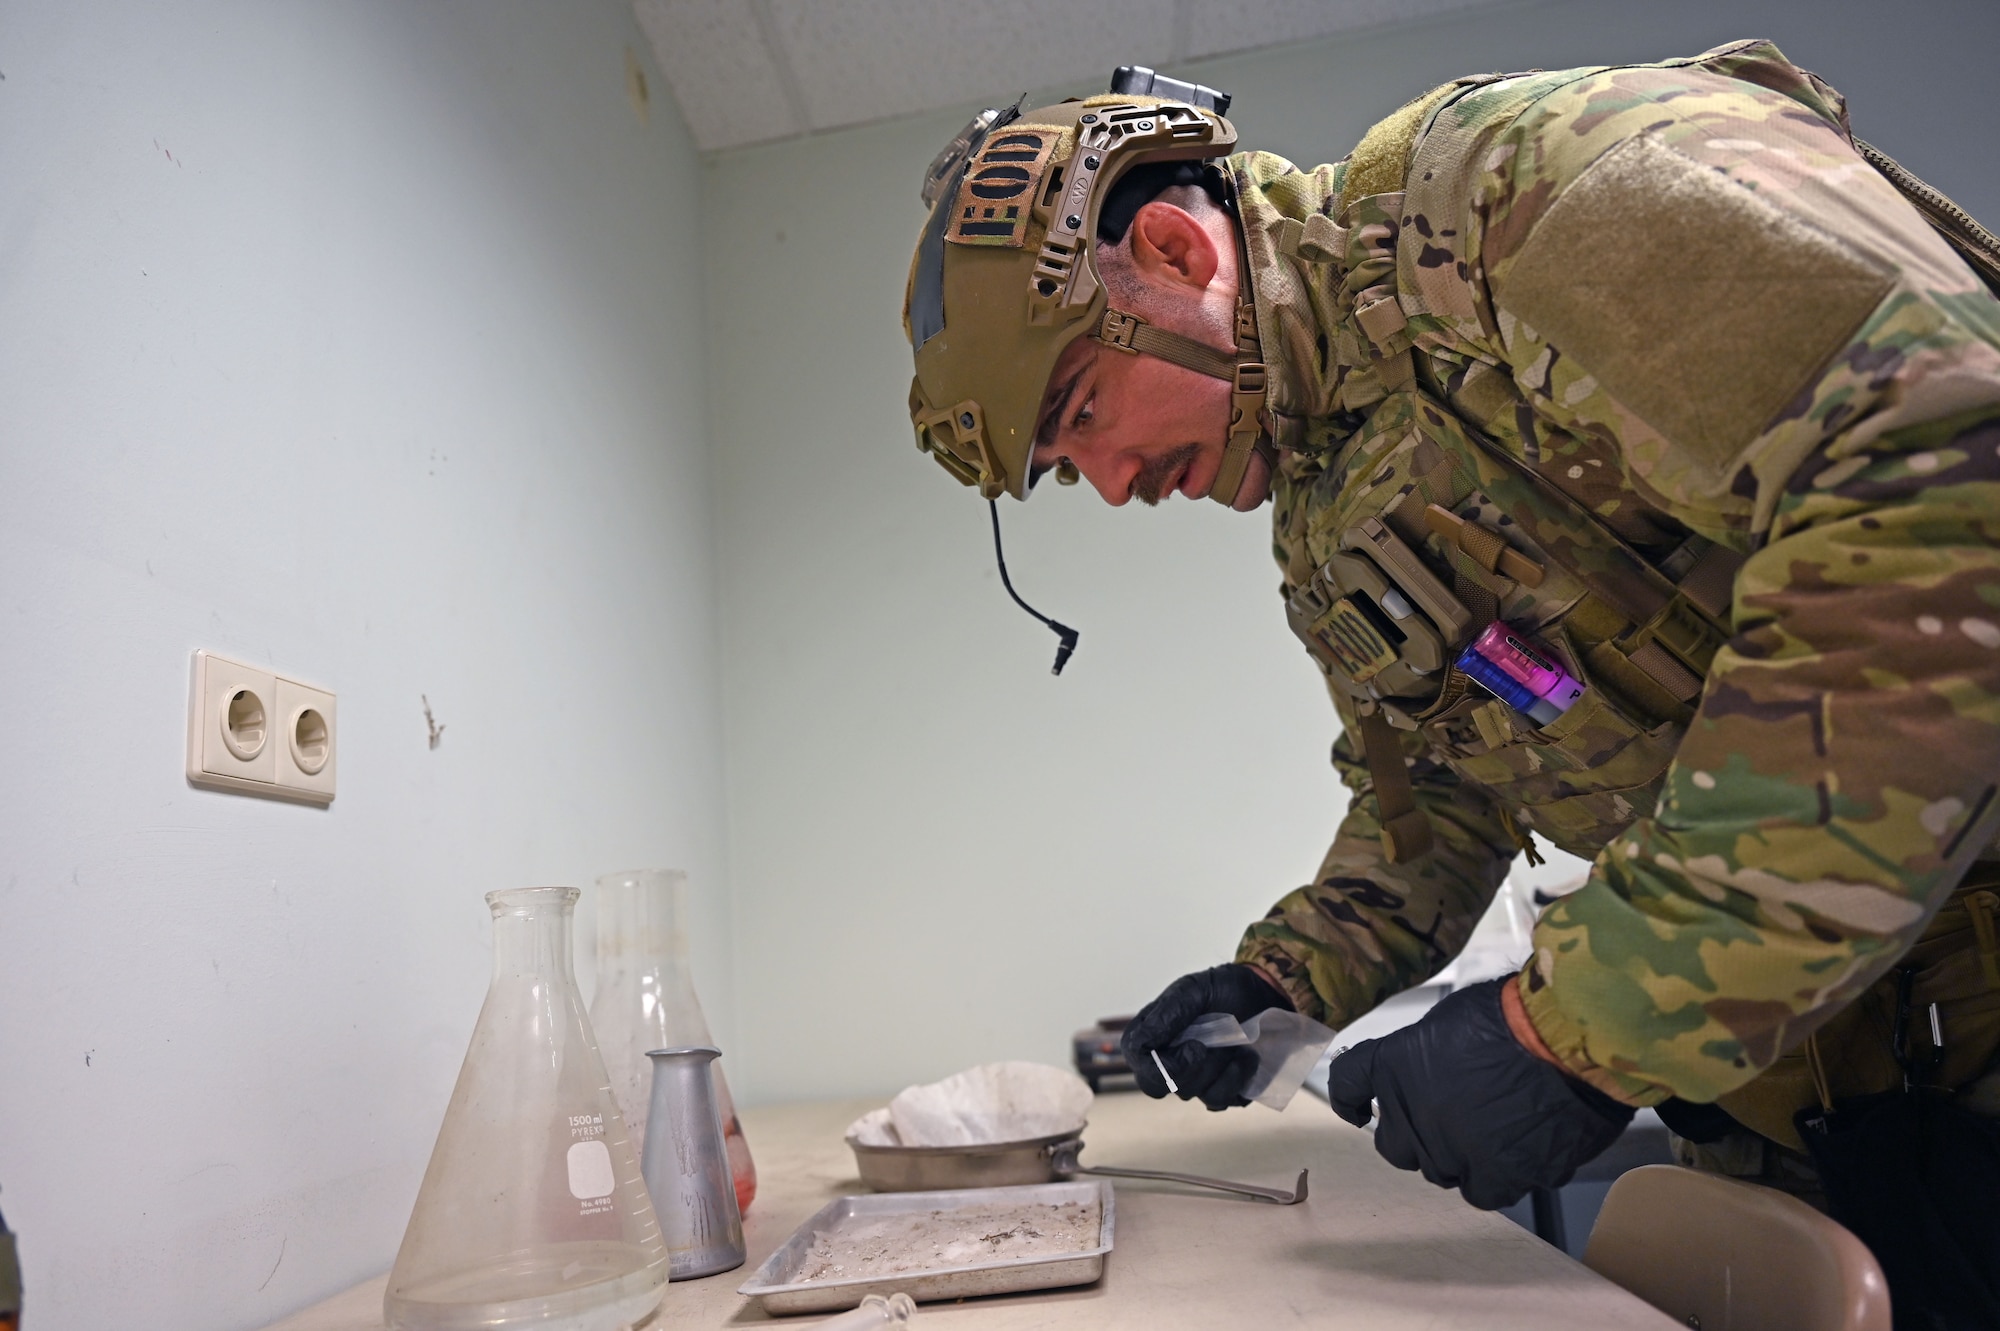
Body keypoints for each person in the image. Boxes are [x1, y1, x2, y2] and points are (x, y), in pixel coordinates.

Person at [902, 40, 2000, 1321]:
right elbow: (1439, 796)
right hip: (1807, 1079)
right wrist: (1280, 981)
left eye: (1080, 411)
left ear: (1172, 254)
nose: (1106, 482)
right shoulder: (1324, 501)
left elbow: (1945, 482)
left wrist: (1574, 1026)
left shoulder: (1528, 192)